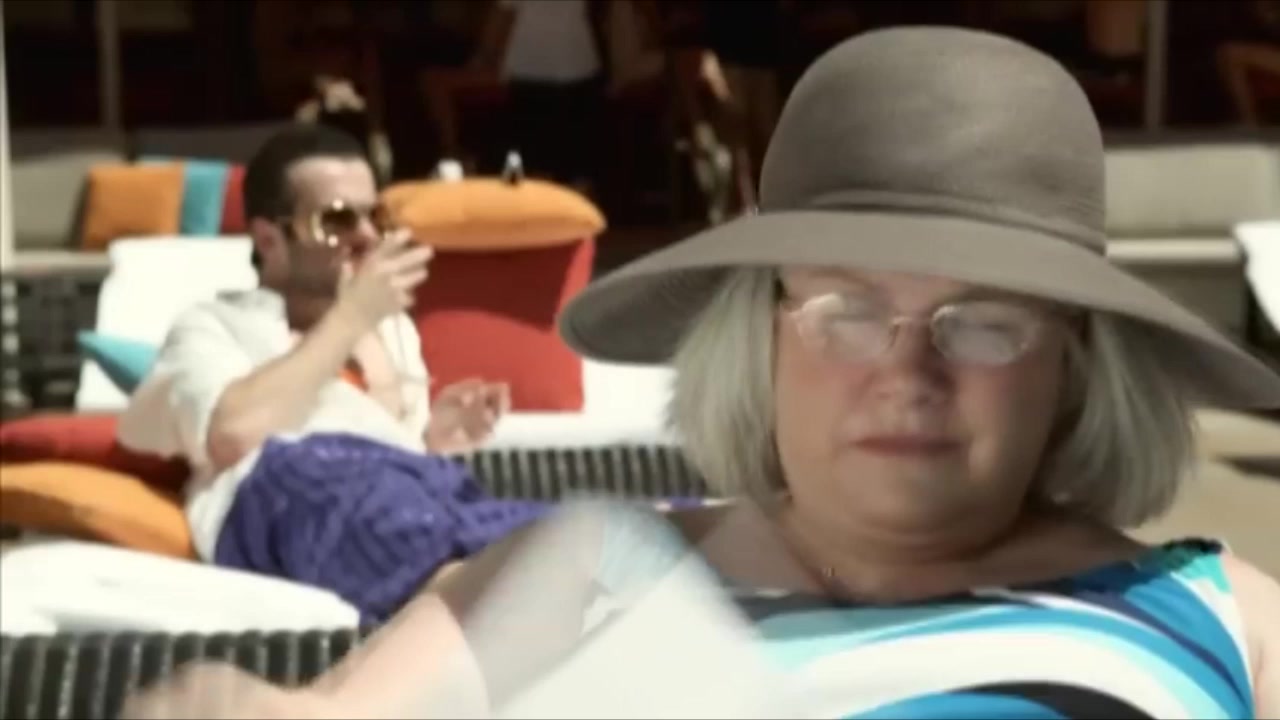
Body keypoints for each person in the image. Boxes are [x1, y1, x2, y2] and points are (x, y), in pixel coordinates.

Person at [123, 28, 1280, 719]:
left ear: (1071, 364)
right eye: (845, 313)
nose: (907, 371)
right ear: (759, 338)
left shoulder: (1221, 611)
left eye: (982, 324)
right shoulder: (584, 572)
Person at [116, 124, 551, 625]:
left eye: (375, 217)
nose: (367, 237)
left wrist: (433, 438)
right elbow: (229, 434)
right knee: (352, 494)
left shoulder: (393, 332)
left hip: (401, 496)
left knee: (579, 533)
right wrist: (351, 317)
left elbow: (404, 478)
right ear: (269, 239)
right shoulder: (215, 326)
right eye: (337, 220)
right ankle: (477, 612)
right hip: (287, 492)